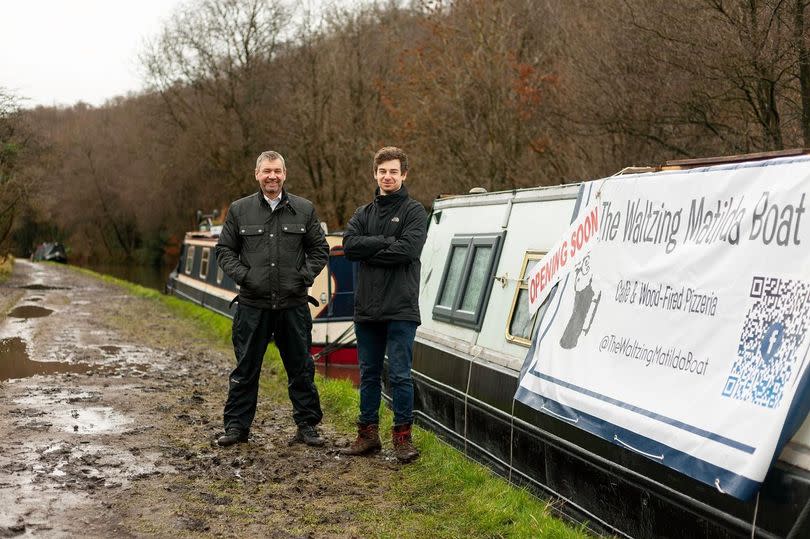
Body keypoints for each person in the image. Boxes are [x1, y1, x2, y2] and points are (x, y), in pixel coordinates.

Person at [214, 150, 329, 447]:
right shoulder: (239, 210)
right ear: (257, 174)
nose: (272, 176)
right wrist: (246, 276)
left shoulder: (304, 209)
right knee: (245, 370)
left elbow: (320, 250)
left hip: (293, 305)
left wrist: (302, 278)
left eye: (277, 171)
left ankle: (307, 426)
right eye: (266, 171)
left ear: (285, 174)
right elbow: (224, 251)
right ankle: (237, 427)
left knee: (301, 368)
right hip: (252, 306)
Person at [342, 146, 427, 463]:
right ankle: (367, 436)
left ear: (404, 174)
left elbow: (407, 250)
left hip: (401, 309)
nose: (387, 176)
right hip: (367, 309)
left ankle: (402, 439)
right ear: (374, 174)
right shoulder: (362, 213)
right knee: (368, 374)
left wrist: (371, 249)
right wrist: (385, 242)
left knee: (402, 376)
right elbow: (349, 246)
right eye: (382, 171)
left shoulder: (415, 212)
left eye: (393, 171)